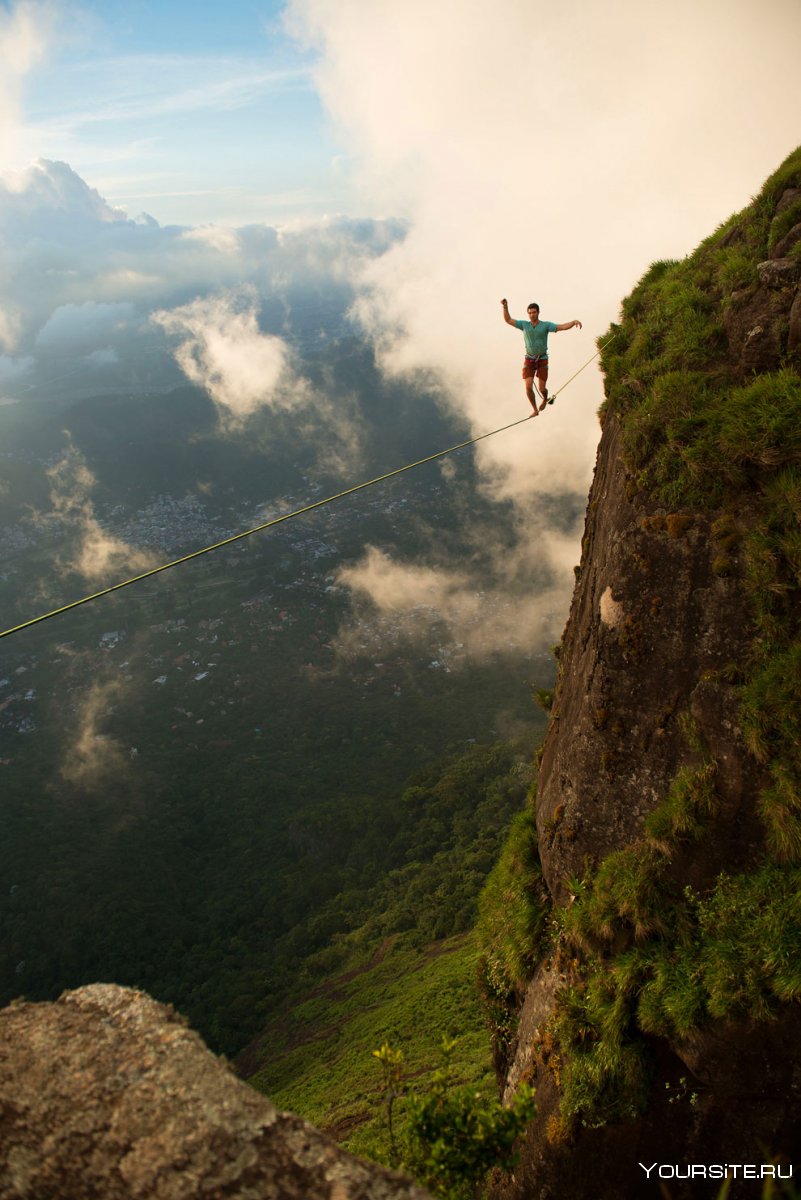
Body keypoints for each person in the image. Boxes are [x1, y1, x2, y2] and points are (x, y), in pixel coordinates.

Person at [500, 299, 582, 414]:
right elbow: (508, 320)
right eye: (530, 313)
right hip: (529, 359)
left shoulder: (545, 325)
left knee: (542, 389)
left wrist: (573, 322)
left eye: (534, 312)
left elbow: (561, 327)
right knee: (528, 387)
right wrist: (505, 306)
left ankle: (544, 399)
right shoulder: (524, 325)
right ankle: (534, 409)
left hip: (542, 359)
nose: (532, 315)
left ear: (538, 312)